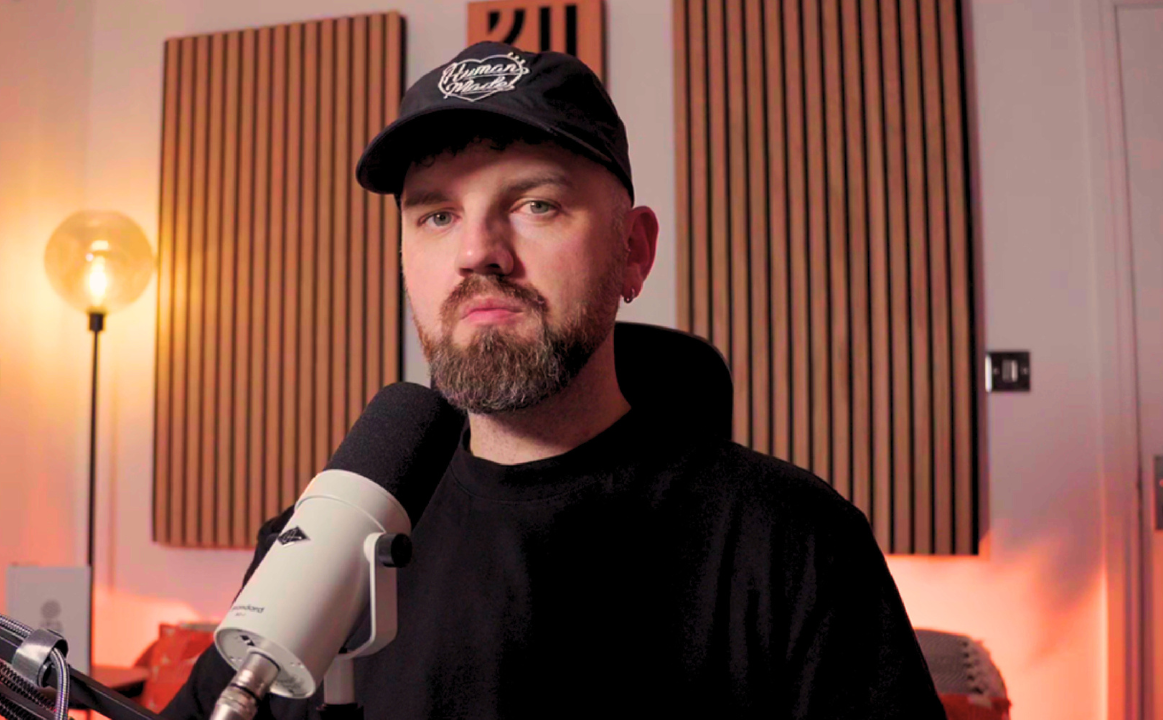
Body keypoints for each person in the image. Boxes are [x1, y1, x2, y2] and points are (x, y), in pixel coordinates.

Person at [164, 42, 945, 720]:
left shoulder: (793, 543)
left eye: (536, 204)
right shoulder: (326, 542)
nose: (479, 251)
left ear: (634, 252)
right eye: (436, 215)